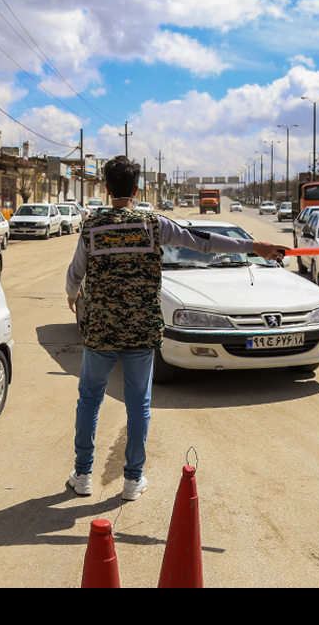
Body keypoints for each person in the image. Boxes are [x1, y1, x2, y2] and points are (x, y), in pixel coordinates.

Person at [64, 156, 287, 500]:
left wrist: (71, 294)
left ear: (106, 188)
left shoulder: (93, 225)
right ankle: (132, 481)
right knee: (138, 403)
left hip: (101, 329)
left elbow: (76, 271)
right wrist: (255, 247)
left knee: (90, 399)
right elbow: (204, 241)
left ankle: (83, 476)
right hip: (142, 327)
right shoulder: (154, 225)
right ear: (136, 189)